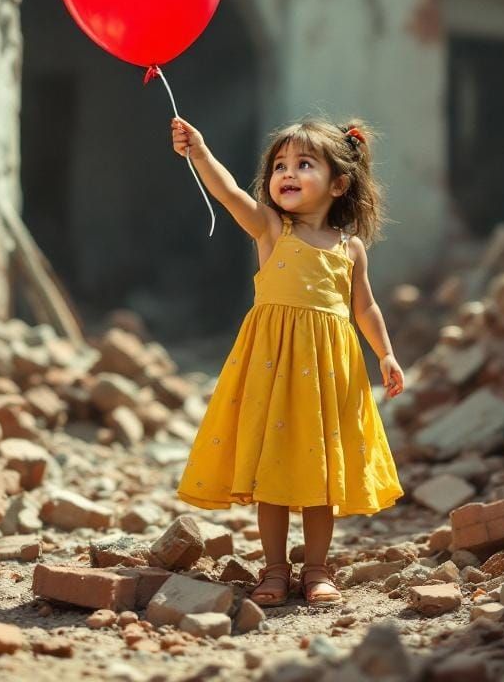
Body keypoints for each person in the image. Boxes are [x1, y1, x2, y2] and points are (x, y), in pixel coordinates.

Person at [171, 115, 405, 608]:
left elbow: (364, 306)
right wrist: (200, 153)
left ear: (339, 183)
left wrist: (385, 354)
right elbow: (231, 193)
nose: (287, 173)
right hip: (272, 368)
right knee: (271, 472)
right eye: (279, 165)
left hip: (327, 373)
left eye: (303, 164)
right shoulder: (273, 228)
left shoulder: (350, 248)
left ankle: (318, 569)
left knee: (321, 475)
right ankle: (274, 570)